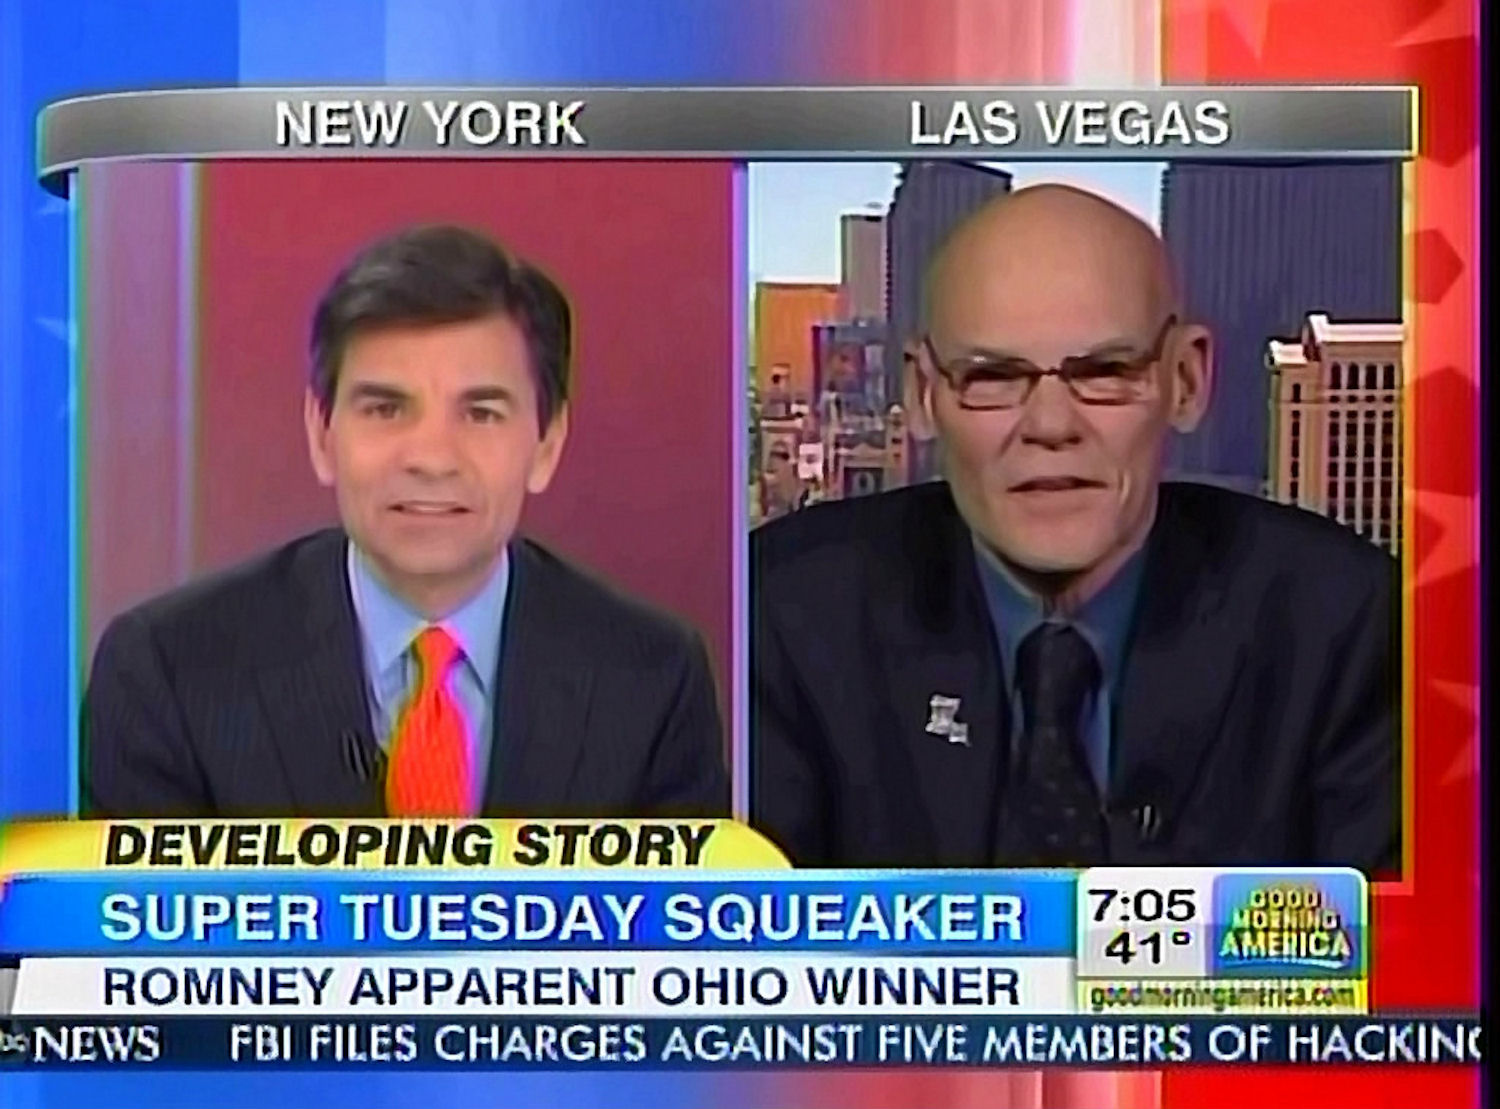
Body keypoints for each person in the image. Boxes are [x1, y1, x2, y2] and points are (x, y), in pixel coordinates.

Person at [751, 185, 1399, 873]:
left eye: (1105, 372)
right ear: (921, 395)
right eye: (993, 377)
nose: (1052, 426)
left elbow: (1400, 933)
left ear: (1186, 380)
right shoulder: (780, 617)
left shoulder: (1343, 624)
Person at [84, 225, 729, 819]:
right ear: (321, 433)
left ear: (547, 444)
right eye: (386, 409)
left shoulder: (653, 678)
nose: (430, 458)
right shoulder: (167, 672)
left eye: (481, 413)